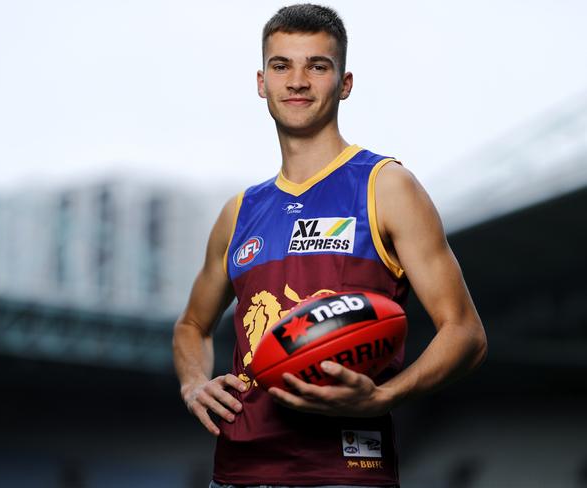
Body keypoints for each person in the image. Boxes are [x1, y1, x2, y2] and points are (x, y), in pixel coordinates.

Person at [173, 4, 487, 487]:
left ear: (344, 84)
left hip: (345, 471)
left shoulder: (385, 186)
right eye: (282, 66)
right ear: (262, 82)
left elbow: (465, 333)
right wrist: (195, 383)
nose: (297, 81)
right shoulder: (239, 212)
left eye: (317, 66)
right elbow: (192, 324)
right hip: (235, 473)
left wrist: (385, 397)